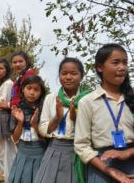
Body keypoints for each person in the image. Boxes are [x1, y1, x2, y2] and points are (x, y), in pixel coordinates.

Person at [74, 43, 134, 183]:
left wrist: (127, 153)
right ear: (99, 67)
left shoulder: (131, 99)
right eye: (115, 62)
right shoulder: (88, 102)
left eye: (125, 62)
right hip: (101, 169)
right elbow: (82, 145)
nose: (122, 67)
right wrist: (110, 170)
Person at [35, 57, 89, 183]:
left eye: (74, 73)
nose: (68, 77)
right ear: (59, 76)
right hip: (54, 149)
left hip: (79, 151)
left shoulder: (88, 99)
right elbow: (43, 130)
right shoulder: (50, 98)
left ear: (81, 76)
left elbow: (92, 130)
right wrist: (57, 118)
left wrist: (75, 119)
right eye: (64, 73)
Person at [9, 75, 47, 183]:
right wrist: (20, 123)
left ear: (41, 92)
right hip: (22, 153)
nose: (32, 93)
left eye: (36, 89)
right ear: (22, 89)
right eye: (29, 88)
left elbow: (46, 139)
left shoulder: (44, 110)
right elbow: (15, 139)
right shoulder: (17, 109)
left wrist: (35, 125)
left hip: (39, 153)